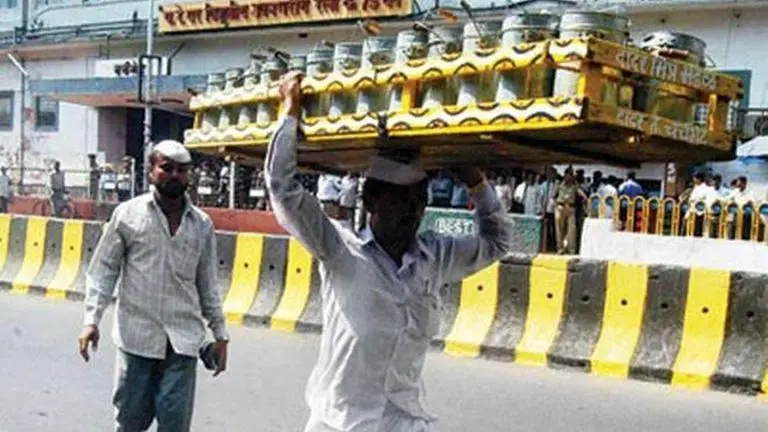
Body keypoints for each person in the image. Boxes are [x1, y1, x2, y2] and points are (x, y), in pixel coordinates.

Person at [267, 71, 512, 432]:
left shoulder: (434, 257)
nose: (413, 211)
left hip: (404, 422)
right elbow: (282, 190)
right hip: (340, 422)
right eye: (401, 200)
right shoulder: (340, 250)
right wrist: (290, 112)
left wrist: (476, 182)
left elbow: (497, 242)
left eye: (419, 200)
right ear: (371, 202)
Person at [78, 140, 229, 432]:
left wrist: (220, 335)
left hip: (183, 343)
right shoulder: (127, 215)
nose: (174, 175)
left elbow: (208, 284)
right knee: (130, 422)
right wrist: (91, 321)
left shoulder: (202, 225)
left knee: (174, 425)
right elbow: (104, 270)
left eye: (182, 170)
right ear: (151, 170)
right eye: (167, 168)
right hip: (137, 340)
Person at [554, 167, 586, 255]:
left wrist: (584, 198)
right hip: (560, 207)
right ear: (565, 175)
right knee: (559, 229)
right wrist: (556, 205)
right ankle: (560, 248)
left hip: (571, 208)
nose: (568, 177)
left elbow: (581, 194)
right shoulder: (559, 185)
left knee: (572, 230)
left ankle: (571, 249)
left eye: (570, 175)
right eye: (567, 175)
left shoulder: (574, 186)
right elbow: (553, 196)